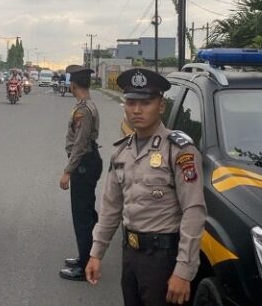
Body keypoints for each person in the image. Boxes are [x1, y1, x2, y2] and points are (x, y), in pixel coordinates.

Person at [85, 68, 207, 306]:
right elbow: (110, 208)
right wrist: (96, 253)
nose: (137, 110)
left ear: (161, 106)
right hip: (130, 255)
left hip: (163, 259)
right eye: (131, 102)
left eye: (146, 102)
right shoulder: (121, 150)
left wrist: (183, 270)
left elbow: (194, 211)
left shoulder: (179, 150)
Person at [59, 65, 103, 281]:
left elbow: (80, 144)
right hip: (88, 162)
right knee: (86, 213)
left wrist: (68, 171)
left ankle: (84, 267)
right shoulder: (87, 105)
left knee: (82, 217)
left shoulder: (83, 110)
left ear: (73, 84)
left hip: (84, 164)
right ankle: (85, 256)